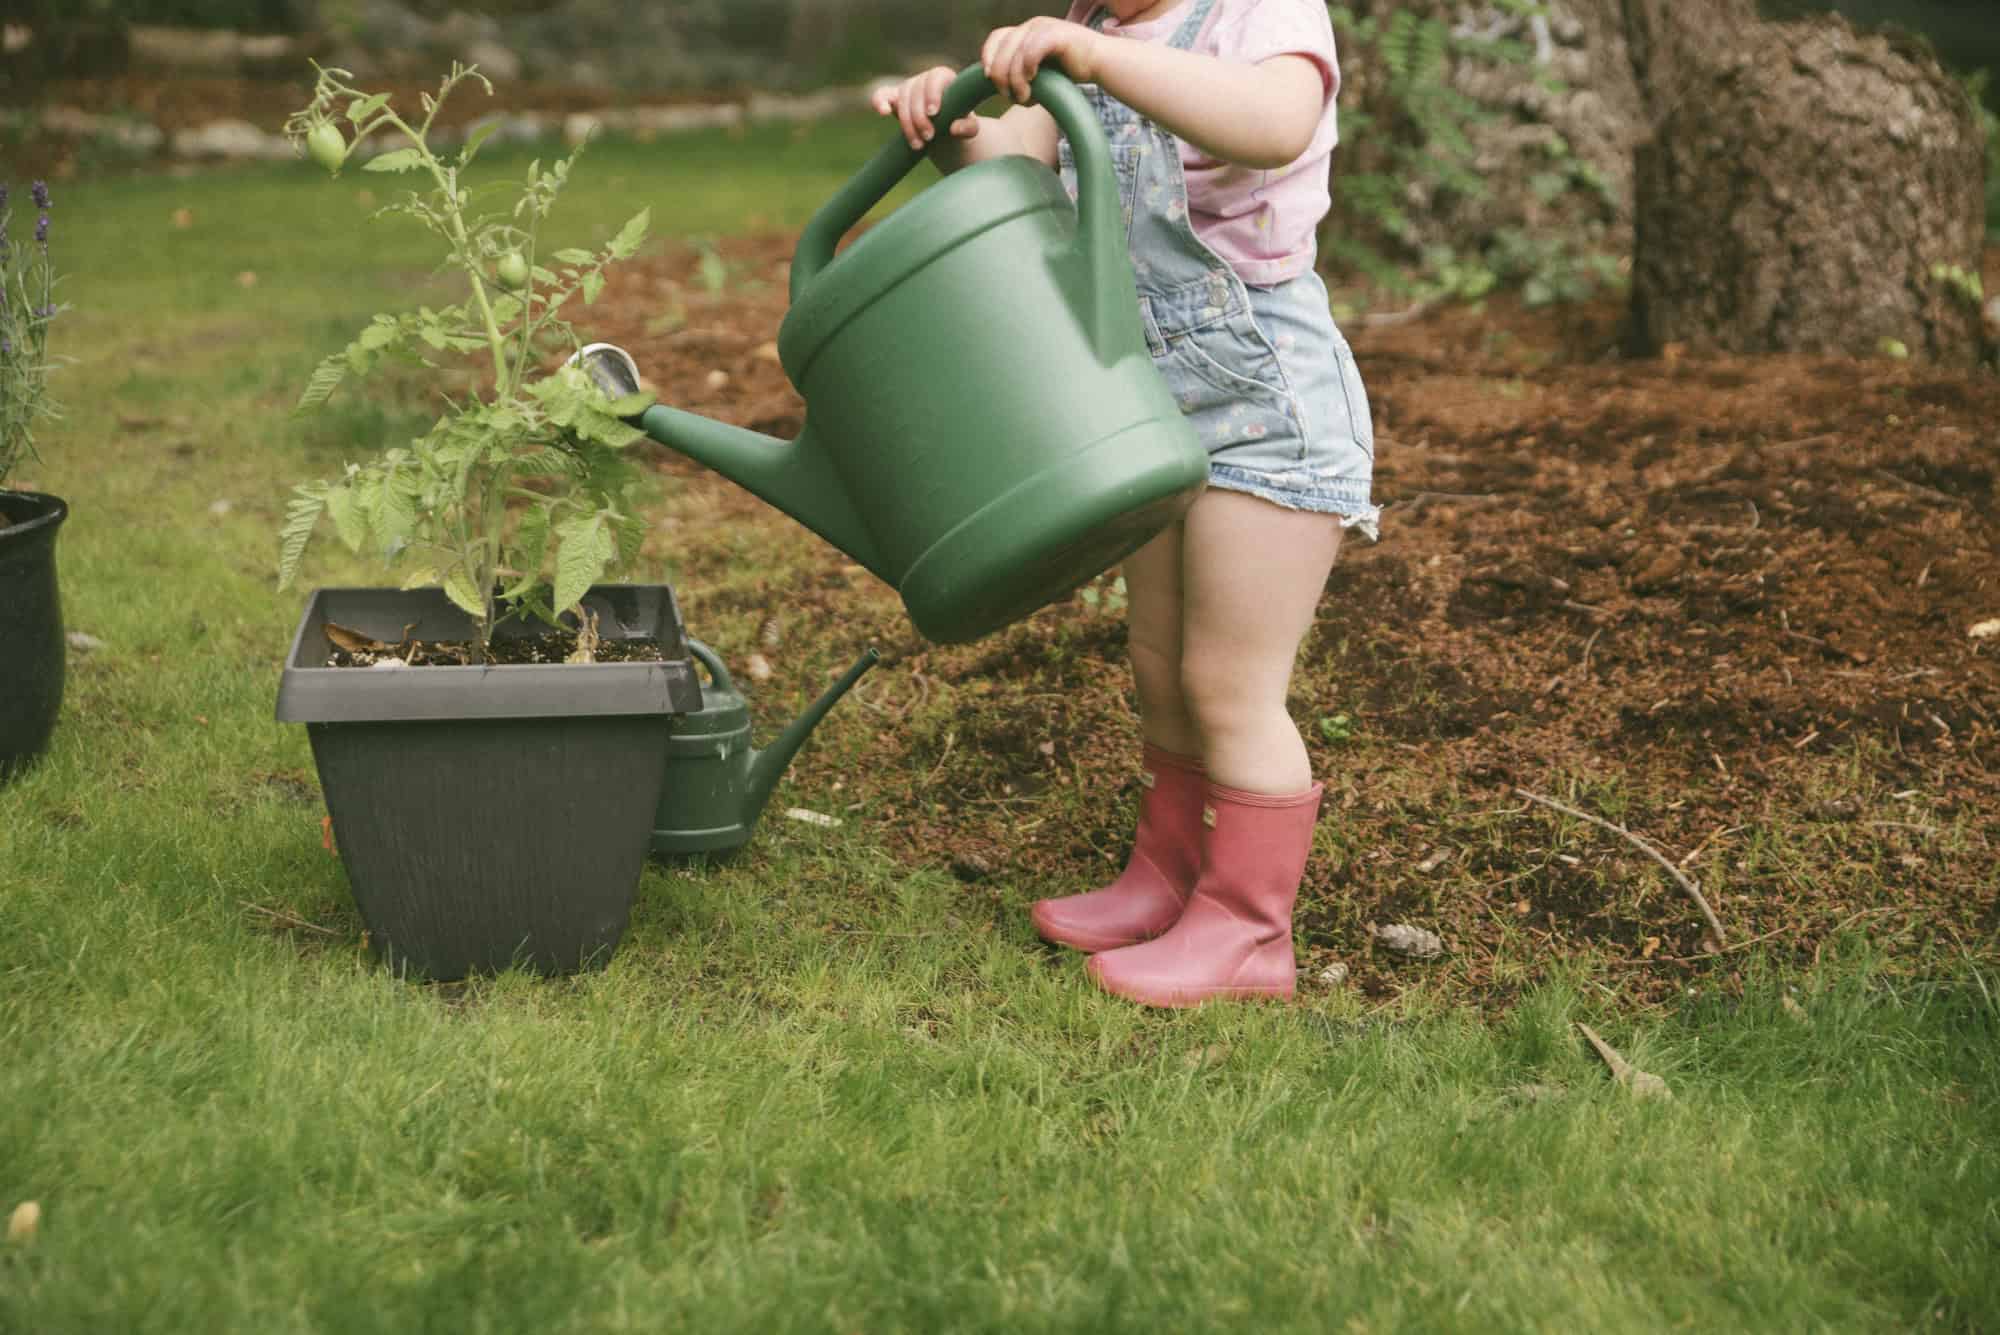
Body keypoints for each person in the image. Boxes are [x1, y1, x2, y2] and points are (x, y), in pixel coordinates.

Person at [872, 0, 1378, 1007]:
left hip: (1265, 408)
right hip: (1147, 407)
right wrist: (950, 123)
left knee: (1229, 683)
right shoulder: (1086, 25)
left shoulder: (1259, 14)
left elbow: (1272, 122)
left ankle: (1247, 931)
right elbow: (1017, 172)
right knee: (1158, 666)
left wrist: (1098, 58)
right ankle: (1167, 876)